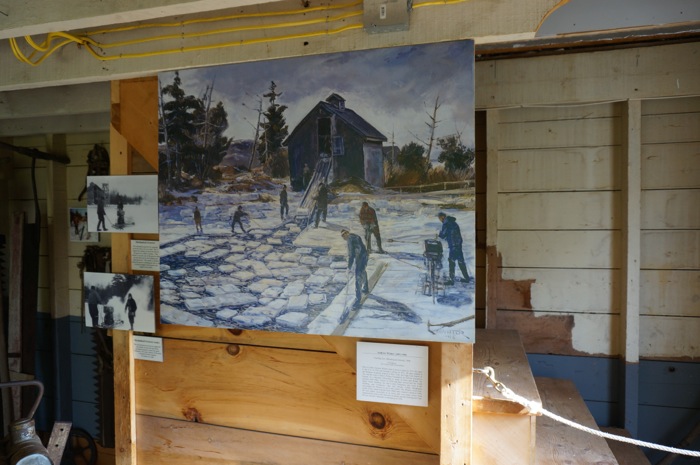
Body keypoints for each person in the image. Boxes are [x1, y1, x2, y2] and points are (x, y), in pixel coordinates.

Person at [437, 212, 472, 285]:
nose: (440, 220)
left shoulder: (446, 224)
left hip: (453, 246)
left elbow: (443, 235)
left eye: (440, 218)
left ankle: (451, 280)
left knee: (451, 261)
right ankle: (466, 278)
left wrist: (439, 233)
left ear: (442, 217)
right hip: (458, 245)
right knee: (461, 261)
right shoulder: (453, 223)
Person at [341, 229, 369, 308]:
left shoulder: (350, 239)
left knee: (358, 278)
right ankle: (366, 288)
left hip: (360, 258)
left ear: (347, 233)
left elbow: (351, 254)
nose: (343, 238)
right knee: (363, 271)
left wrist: (349, 267)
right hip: (364, 256)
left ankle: (357, 300)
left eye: (343, 235)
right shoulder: (355, 236)